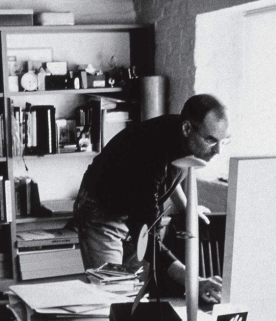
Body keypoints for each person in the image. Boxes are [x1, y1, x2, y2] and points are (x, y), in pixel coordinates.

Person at [73, 94, 230, 303]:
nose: (218, 151)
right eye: (210, 140)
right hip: (101, 212)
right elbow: (148, 244)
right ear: (187, 129)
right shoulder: (148, 155)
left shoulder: (186, 138)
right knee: (112, 298)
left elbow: (170, 177)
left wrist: (188, 208)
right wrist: (196, 282)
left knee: (136, 296)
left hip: (133, 208)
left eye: (224, 141)